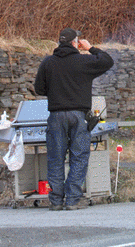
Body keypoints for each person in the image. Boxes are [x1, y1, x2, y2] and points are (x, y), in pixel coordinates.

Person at [33, 28, 114, 211]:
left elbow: (39, 89)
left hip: (55, 116)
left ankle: (55, 201)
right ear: (75, 43)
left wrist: (55, 91)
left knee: (55, 158)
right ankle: (73, 200)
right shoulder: (84, 61)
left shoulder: (48, 63)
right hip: (79, 116)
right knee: (79, 157)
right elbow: (107, 61)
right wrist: (91, 48)